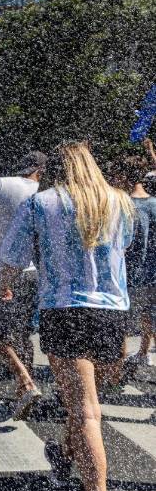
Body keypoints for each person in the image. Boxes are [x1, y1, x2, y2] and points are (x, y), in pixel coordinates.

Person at [0, 142, 134, 491]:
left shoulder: (42, 204)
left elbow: (13, 256)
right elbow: (121, 252)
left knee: (86, 412)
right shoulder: (119, 202)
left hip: (65, 310)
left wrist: (4, 284)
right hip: (112, 315)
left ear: (56, 169)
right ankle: (61, 454)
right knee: (87, 403)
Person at [0, 151, 47, 420]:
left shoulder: (0, 183)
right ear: (41, 169)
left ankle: (25, 382)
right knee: (24, 334)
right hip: (33, 273)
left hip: (2, 269)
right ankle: (25, 387)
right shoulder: (43, 191)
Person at [108, 153, 155, 372]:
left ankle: (118, 366)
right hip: (153, 273)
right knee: (150, 316)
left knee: (121, 322)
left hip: (127, 273)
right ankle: (144, 354)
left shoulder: (122, 204)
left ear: (123, 177)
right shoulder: (155, 203)